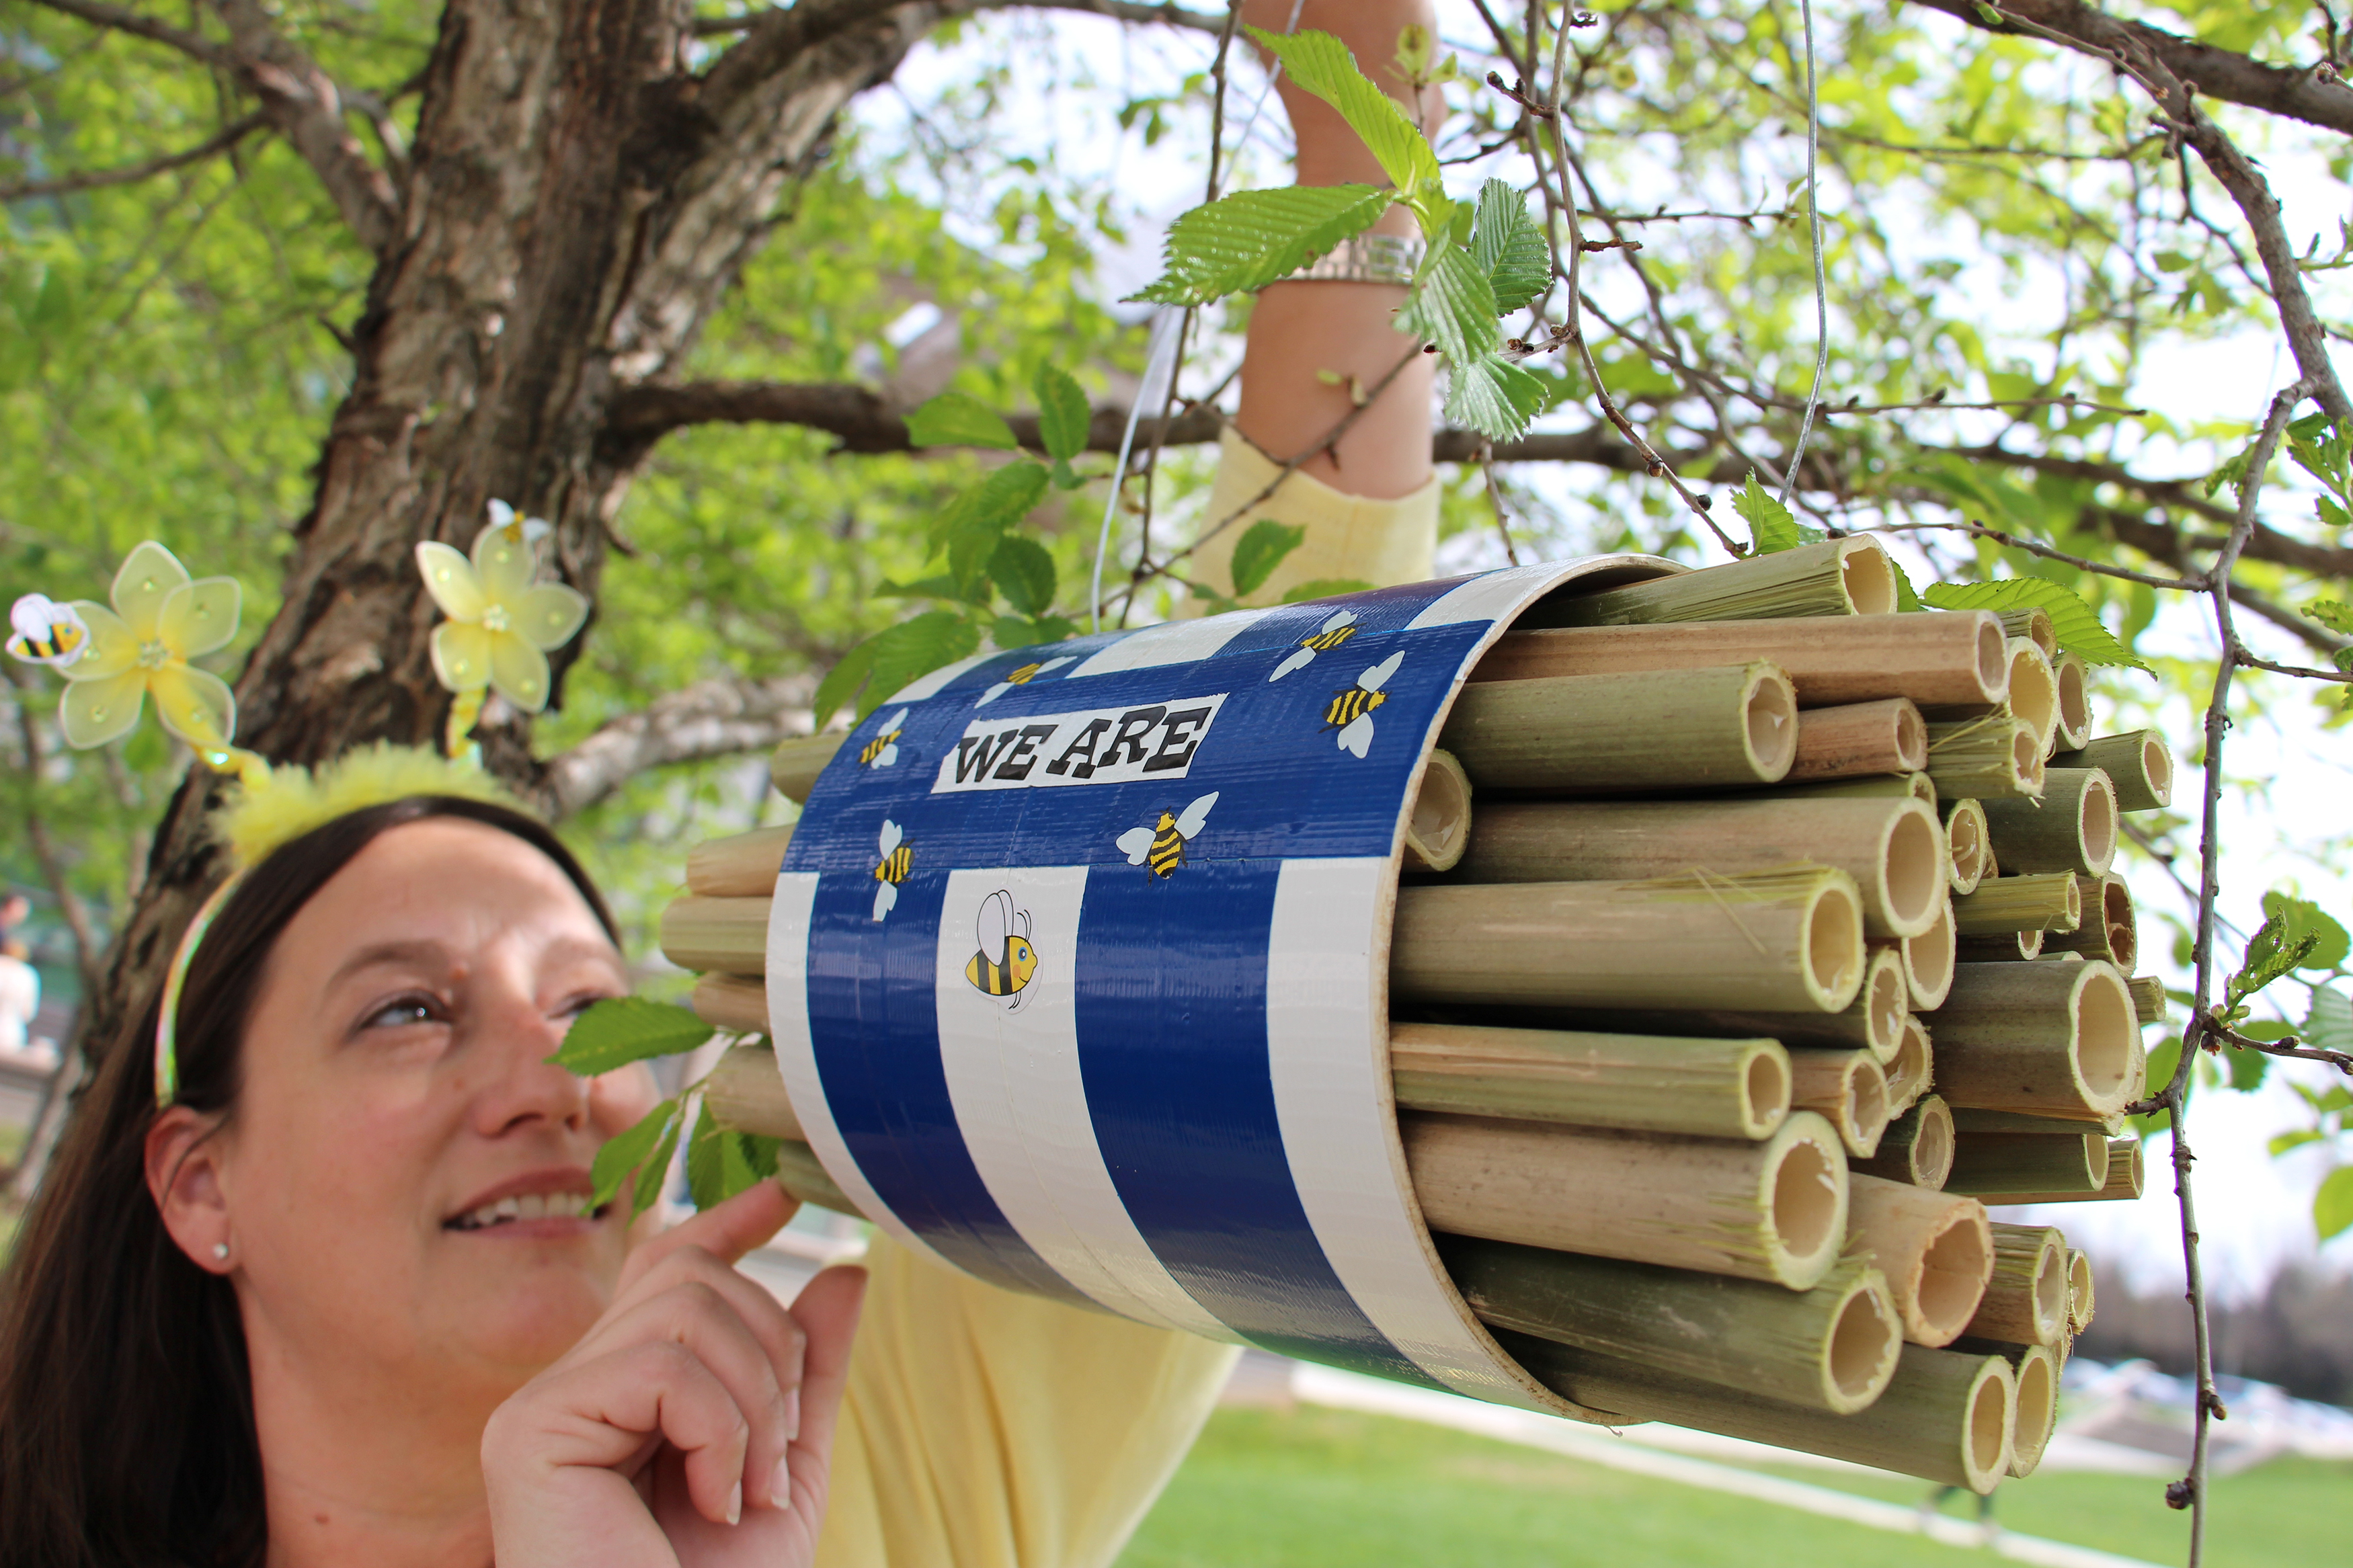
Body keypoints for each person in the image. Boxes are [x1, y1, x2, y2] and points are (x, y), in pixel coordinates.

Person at [0, 5, 1442, 1563]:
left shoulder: (860, 1443)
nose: (552, 1085)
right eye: (407, 1010)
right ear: (201, 1182)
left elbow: (1273, 759)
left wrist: (1352, 119)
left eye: (585, 1007)